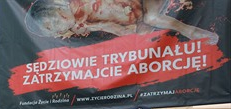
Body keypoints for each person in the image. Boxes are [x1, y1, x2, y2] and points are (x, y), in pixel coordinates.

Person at [25, 0, 219, 44]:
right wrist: (96, 26)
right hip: (140, 15)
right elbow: (130, 32)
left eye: (50, 27)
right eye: (51, 32)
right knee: (143, 34)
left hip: (145, 5)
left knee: (152, 18)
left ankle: (193, 32)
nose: (56, 32)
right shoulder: (83, 24)